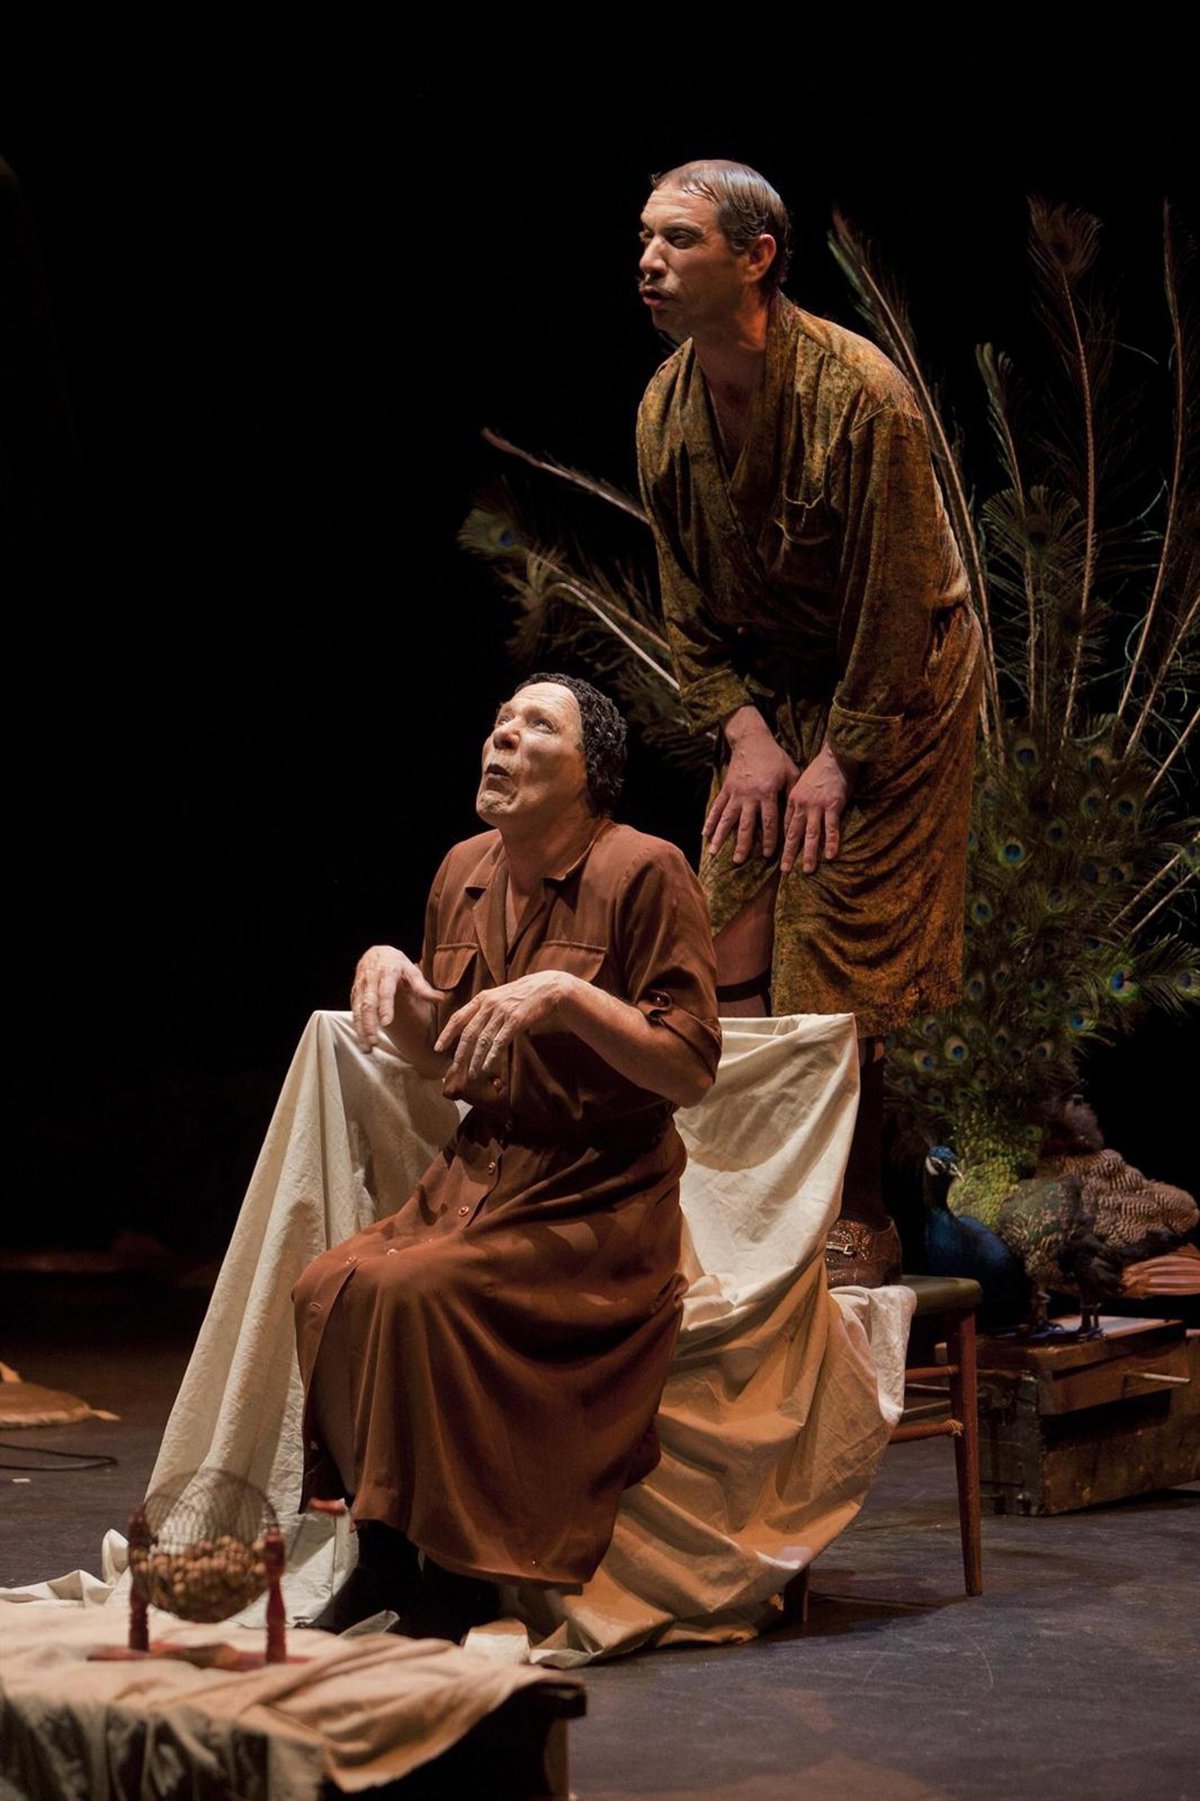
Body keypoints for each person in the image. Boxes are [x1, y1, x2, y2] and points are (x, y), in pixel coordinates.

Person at [292, 673, 721, 1639]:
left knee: (420, 1291)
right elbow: (442, 1052)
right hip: (479, 1173)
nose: (502, 738)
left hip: (598, 1190)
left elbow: (692, 1066)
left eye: (536, 726)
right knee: (331, 1286)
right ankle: (384, 1558)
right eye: (498, 723)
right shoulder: (463, 870)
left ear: (591, 770)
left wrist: (567, 995)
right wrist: (392, 975)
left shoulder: (645, 871)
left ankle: (462, 1572)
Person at [635, 159, 983, 1289]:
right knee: (728, 918)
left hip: (900, 684)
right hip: (773, 693)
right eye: (645, 238)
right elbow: (682, 600)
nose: (649, 261)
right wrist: (742, 732)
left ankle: (861, 1210)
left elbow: (897, 596)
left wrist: (844, 755)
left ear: (757, 257)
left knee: (830, 931)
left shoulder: (862, 397)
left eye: (678, 240)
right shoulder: (663, 410)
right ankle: (746, 1198)